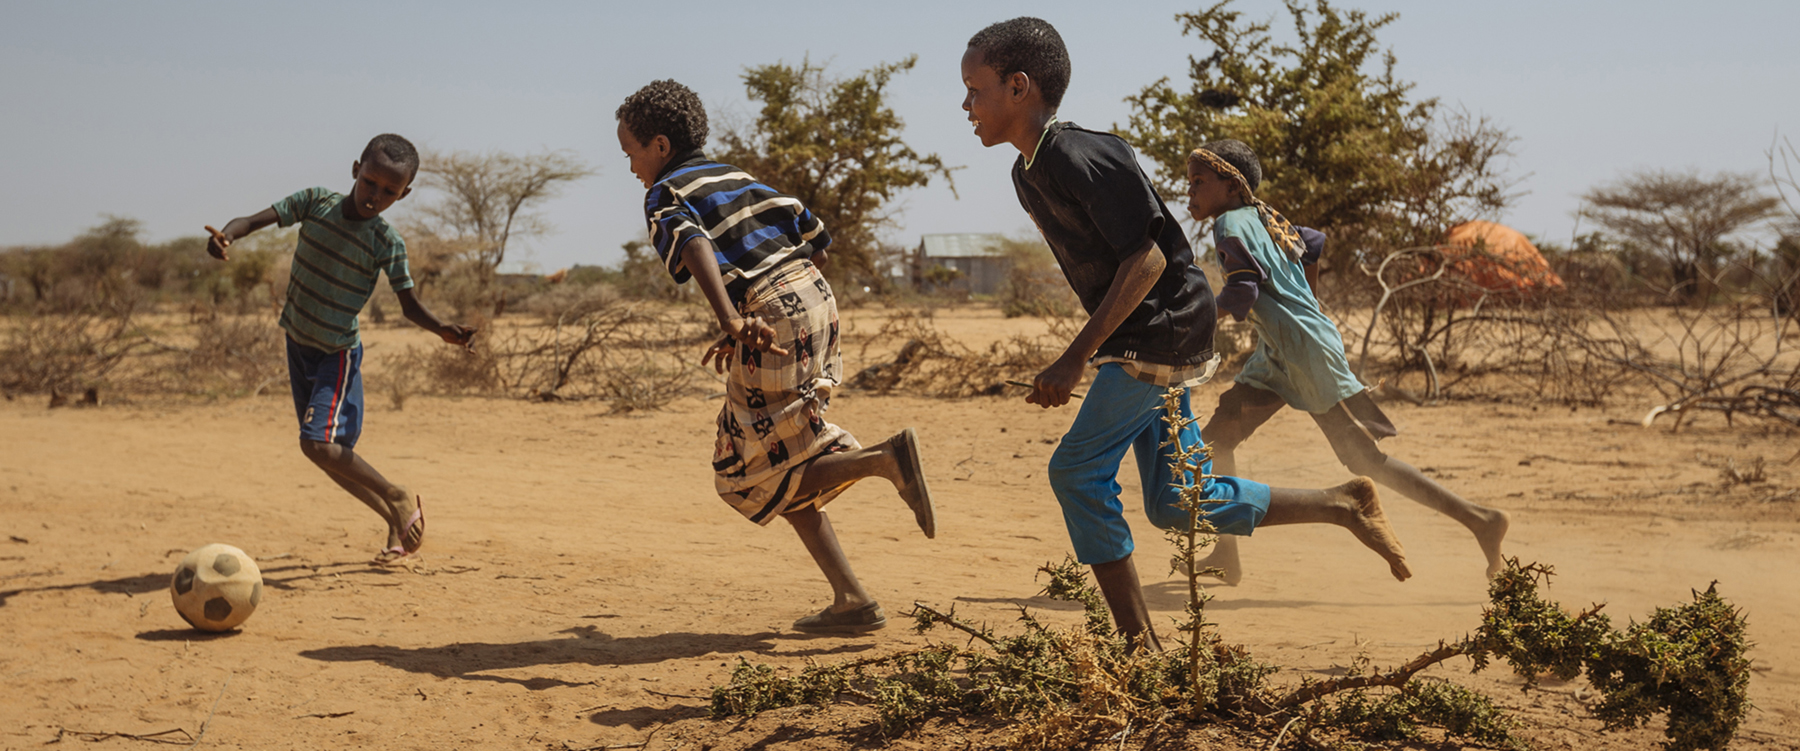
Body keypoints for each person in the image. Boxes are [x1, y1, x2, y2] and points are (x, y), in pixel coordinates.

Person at [961, 17, 1411, 649]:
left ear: (1019, 87)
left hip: (1162, 332)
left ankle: (1140, 645)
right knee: (1177, 498)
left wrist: (1073, 359)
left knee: (1076, 472)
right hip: (1148, 334)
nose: (966, 106)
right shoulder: (1027, 172)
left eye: (974, 90)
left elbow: (1145, 261)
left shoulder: (1079, 152)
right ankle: (1344, 503)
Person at [615, 80, 935, 635]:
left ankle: (883, 460)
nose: (633, 167)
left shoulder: (665, 191)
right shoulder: (738, 178)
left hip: (768, 315)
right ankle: (851, 599)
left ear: (660, 146)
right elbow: (816, 240)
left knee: (743, 471)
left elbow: (692, 244)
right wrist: (757, 311)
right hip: (814, 298)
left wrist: (734, 318)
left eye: (632, 153)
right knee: (781, 456)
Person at [1185, 139, 1511, 583]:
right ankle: (1227, 553)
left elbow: (1242, 293)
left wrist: (1193, 319)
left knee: (1364, 460)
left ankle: (1481, 520)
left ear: (1231, 185)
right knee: (1217, 440)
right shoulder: (1263, 218)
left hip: (1308, 355)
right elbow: (1314, 243)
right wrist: (1305, 301)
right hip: (1279, 355)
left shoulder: (1230, 225)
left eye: (1199, 182)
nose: (1190, 193)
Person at [204, 134, 474, 566]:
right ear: (355, 170)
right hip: (298, 342)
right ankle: (396, 520)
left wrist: (442, 328)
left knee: (318, 446)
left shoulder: (387, 242)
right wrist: (227, 237)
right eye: (370, 182)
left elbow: (409, 306)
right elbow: (252, 221)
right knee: (329, 456)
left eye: (389, 191)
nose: (375, 196)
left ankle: (398, 495)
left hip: (336, 354)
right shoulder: (315, 202)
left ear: (404, 194)